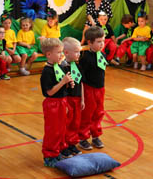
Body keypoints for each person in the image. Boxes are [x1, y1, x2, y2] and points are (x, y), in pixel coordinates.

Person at [40, 38, 74, 167]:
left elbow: (62, 84)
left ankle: (58, 150)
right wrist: (63, 82)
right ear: (49, 54)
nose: (62, 55)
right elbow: (50, 92)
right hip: (52, 104)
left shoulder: (60, 67)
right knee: (52, 131)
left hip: (62, 101)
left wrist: (69, 83)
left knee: (61, 129)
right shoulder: (46, 72)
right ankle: (49, 155)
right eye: (59, 52)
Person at [78, 26, 106, 150]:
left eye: (103, 41)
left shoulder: (102, 55)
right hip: (89, 89)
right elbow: (81, 78)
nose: (102, 44)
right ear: (89, 42)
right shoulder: (85, 58)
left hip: (100, 89)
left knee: (98, 113)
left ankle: (95, 135)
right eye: (98, 42)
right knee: (87, 114)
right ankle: (83, 138)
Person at [62, 37, 84, 156]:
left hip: (77, 99)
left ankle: (72, 143)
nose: (79, 54)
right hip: (68, 99)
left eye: (79, 51)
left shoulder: (77, 66)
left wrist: (83, 99)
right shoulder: (63, 68)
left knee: (76, 122)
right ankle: (64, 145)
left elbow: (81, 83)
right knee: (67, 122)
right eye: (76, 51)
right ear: (66, 53)